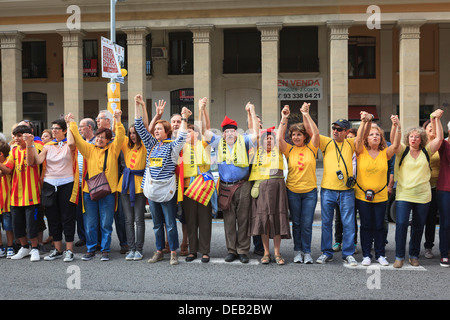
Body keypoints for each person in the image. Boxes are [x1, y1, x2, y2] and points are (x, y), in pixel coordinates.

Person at [134, 94, 191, 266]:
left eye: (159, 129)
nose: (156, 131)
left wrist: (184, 118)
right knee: (157, 224)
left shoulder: (172, 147)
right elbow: (140, 127)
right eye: (155, 129)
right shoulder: (152, 145)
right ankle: (159, 251)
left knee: (171, 224)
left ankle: (173, 252)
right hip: (152, 191)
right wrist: (139, 105)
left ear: (166, 132)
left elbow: (181, 137)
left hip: (167, 191)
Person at [202, 102, 258, 264]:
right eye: (227, 131)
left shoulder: (244, 140)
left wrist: (252, 111)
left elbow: (255, 132)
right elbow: (205, 132)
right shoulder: (218, 142)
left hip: (243, 185)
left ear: (237, 132)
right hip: (226, 186)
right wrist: (202, 109)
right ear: (224, 134)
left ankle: (242, 250)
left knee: (243, 219)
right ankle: (231, 250)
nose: (230, 134)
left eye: (232, 131)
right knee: (228, 220)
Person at [68, 109, 125, 261]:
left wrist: (118, 120)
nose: (99, 139)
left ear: (108, 140)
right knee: (90, 223)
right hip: (89, 191)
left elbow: (120, 137)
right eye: (98, 137)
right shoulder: (89, 149)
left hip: (108, 191)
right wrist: (72, 124)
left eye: (103, 137)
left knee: (106, 223)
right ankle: (91, 248)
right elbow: (79, 141)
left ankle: (105, 250)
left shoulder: (113, 149)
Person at [317, 114, 372, 266]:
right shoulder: (326, 142)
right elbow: (313, 132)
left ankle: (348, 253)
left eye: (339, 129)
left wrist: (365, 121)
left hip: (347, 190)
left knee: (348, 223)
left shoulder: (350, 143)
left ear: (346, 131)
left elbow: (363, 136)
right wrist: (306, 114)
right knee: (326, 223)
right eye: (333, 128)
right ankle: (326, 252)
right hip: (328, 189)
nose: (335, 131)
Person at [391, 109, 444, 268]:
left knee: (418, 227)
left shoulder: (427, 151)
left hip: (423, 196)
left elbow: (440, 138)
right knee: (400, 225)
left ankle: (414, 254)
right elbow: (394, 141)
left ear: (422, 139)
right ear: (408, 138)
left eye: (417, 137)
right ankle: (399, 256)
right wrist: (397, 126)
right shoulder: (402, 150)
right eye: (411, 136)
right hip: (404, 195)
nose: (413, 139)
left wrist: (437, 119)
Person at [27, 118, 78, 262]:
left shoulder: (69, 144)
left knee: (67, 217)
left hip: (67, 183)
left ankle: (69, 250)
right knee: (52, 217)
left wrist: (69, 125)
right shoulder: (48, 145)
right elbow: (37, 161)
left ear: (64, 131)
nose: (54, 130)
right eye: (52, 128)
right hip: (49, 184)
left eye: (57, 128)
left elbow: (73, 143)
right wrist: (30, 144)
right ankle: (57, 249)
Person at [354, 114, 401, 266]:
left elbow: (396, 144)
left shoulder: (385, 153)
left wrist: (396, 126)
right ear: (367, 138)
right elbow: (359, 138)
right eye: (371, 135)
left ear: (381, 139)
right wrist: (364, 122)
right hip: (362, 196)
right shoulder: (360, 151)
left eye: (378, 135)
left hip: (381, 196)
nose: (375, 137)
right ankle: (366, 254)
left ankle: (380, 254)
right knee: (366, 225)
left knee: (380, 225)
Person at [277, 103, 319, 264]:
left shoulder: (312, 148)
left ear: (304, 136)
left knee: (307, 224)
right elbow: (279, 138)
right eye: (293, 135)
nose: (296, 137)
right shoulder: (289, 149)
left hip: (310, 192)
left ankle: (307, 252)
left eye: (299, 135)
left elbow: (315, 132)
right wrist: (284, 118)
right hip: (293, 191)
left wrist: (306, 114)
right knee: (297, 223)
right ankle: (297, 251)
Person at [248, 118, 291, 265]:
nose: (268, 141)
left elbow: (280, 136)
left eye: (271, 139)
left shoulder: (279, 150)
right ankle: (266, 253)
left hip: (278, 188)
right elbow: (252, 131)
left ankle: (277, 253)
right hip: (261, 190)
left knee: (277, 220)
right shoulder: (256, 151)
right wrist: (251, 113)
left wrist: (284, 118)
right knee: (264, 220)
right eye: (265, 139)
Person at [0, 125, 42, 261]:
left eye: (19, 136)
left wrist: (29, 144)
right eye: (15, 136)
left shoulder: (34, 148)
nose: (16, 139)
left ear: (27, 136)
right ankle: (24, 247)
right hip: (15, 197)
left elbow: (30, 163)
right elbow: (7, 170)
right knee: (17, 225)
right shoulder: (14, 151)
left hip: (31, 195)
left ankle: (35, 249)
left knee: (31, 225)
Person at [182, 97, 213, 263]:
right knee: (191, 220)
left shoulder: (203, 144)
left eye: (189, 132)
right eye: (185, 132)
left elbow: (206, 127)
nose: (187, 134)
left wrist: (202, 109)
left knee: (205, 220)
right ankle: (192, 250)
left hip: (203, 186)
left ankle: (205, 251)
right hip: (188, 187)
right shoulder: (182, 147)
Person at [96, 110, 128, 254]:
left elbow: (123, 162)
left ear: (108, 121)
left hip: (118, 183)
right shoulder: (96, 140)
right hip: (100, 183)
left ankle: (124, 243)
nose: (97, 121)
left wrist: (121, 180)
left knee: (120, 215)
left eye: (99, 119)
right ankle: (99, 243)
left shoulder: (117, 139)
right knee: (100, 217)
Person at [118, 124, 147, 261]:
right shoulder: (125, 145)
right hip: (124, 185)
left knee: (139, 219)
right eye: (130, 133)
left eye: (135, 133)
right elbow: (118, 132)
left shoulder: (146, 146)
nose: (132, 135)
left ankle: (139, 249)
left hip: (139, 185)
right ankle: (131, 249)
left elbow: (147, 127)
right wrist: (117, 119)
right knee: (128, 220)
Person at [333, 128, 359, 254]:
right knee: (339, 217)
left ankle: (353, 242)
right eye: (347, 137)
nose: (349, 140)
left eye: (352, 137)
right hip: (342, 188)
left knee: (352, 218)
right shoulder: (341, 151)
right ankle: (338, 240)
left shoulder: (359, 153)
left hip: (357, 190)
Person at [75, 118, 96, 247]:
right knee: (79, 213)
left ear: (89, 127)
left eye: (81, 127)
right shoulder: (81, 143)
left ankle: (94, 240)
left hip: (92, 183)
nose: (79, 129)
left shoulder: (96, 142)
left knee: (92, 214)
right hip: (78, 183)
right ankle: (83, 236)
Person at [422, 118, 440, 259]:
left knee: (431, 219)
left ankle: (429, 246)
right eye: (430, 127)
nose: (432, 129)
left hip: (436, 187)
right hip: (422, 187)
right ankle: (414, 246)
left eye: (435, 127)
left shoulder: (441, 145)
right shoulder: (421, 145)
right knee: (418, 219)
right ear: (425, 130)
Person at [436, 121, 450, 267]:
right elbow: (438, 137)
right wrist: (435, 119)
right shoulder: (445, 145)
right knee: (445, 223)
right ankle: (444, 254)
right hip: (445, 188)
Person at [0, 141, 15, 258]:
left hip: (7, 201)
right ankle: (1, 247)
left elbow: (5, 171)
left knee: (8, 225)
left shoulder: (8, 162)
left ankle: (10, 246)